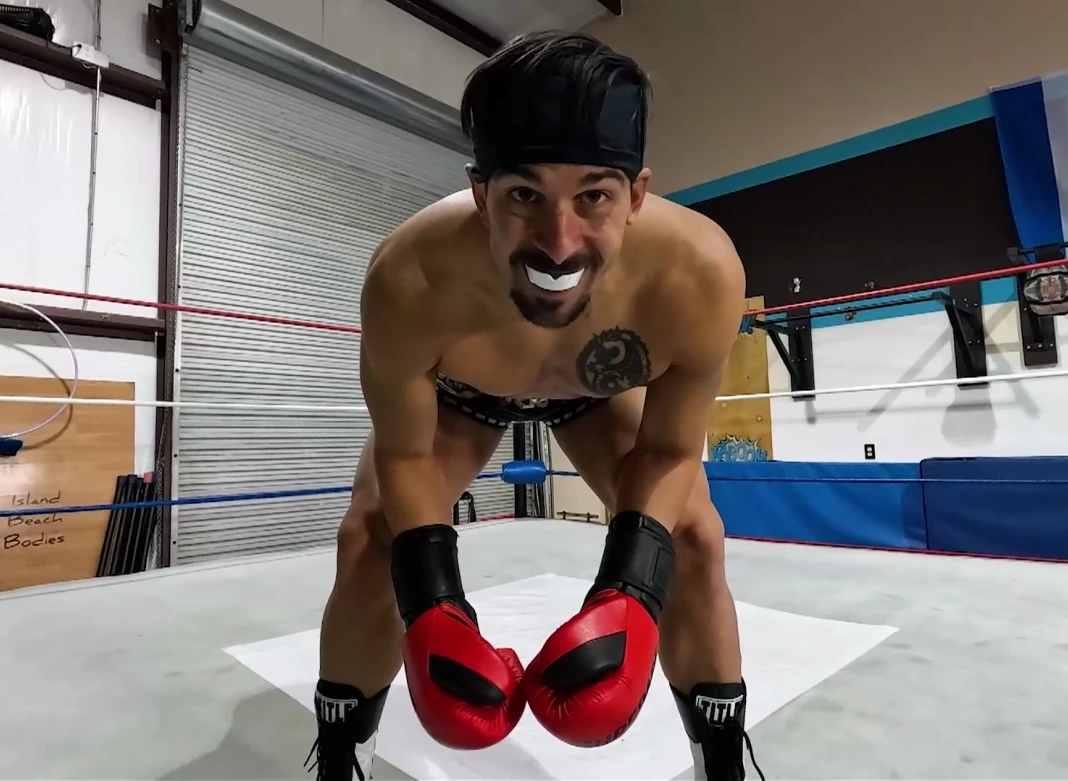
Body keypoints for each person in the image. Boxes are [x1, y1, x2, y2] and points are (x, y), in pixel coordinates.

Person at [306, 30, 763, 781]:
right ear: (480, 194)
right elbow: (406, 452)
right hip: (460, 398)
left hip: (596, 391)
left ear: (637, 195)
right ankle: (338, 761)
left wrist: (631, 590)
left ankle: (721, 767)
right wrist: (433, 602)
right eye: (524, 196)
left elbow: (671, 450)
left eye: (594, 196)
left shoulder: (698, 273)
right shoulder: (409, 276)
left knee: (694, 538)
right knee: (367, 536)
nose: (558, 241)